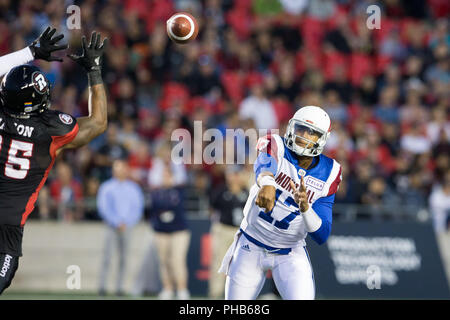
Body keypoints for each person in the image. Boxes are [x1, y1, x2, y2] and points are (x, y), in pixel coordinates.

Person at [0, 27, 108, 294]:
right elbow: (98, 122)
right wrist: (93, 71)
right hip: (8, 232)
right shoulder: (51, 130)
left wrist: (30, 52)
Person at [219, 106, 342, 300]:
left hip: (290, 251)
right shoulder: (276, 143)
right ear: (292, 127)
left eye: (312, 133)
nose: (304, 136)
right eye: (301, 129)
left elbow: (322, 234)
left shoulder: (331, 172)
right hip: (251, 242)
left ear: (322, 138)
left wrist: (306, 208)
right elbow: (264, 163)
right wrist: (267, 183)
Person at [147, 142, 191, 300]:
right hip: (160, 228)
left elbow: (181, 178)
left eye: (168, 173)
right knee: (164, 260)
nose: (166, 175)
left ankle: (182, 288)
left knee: (177, 260)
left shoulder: (178, 188)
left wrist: (171, 169)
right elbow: (152, 181)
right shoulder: (156, 191)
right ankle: (167, 287)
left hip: (178, 228)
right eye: (163, 173)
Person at [96, 159, 145, 296]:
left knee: (124, 258)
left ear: (126, 170)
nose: (119, 171)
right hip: (111, 226)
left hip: (128, 227)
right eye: (116, 168)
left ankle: (120, 287)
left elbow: (138, 208)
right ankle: (102, 286)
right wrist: (116, 222)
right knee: (107, 257)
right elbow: (103, 207)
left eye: (121, 168)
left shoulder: (134, 188)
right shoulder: (106, 187)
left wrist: (127, 222)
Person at [208, 165, 248, 299]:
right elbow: (212, 208)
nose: (235, 178)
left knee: (242, 264)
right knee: (219, 262)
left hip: (241, 231)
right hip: (223, 229)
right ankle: (215, 293)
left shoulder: (247, 192)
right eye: (232, 174)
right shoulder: (221, 191)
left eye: (237, 174)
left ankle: (239, 294)